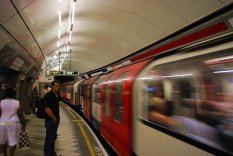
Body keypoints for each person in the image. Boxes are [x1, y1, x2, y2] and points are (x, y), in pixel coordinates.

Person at [0, 88, 25, 156]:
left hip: (2, 124)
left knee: (3, 141)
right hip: (14, 124)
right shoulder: (17, 102)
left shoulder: (1, 102)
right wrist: (23, 125)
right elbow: (20, 115)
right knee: (13, 141)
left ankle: (5, 154)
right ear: (14, 94)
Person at [44, 80, 61, 156]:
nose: (58, 87)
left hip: (53, 121)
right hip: (51, 121)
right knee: (49, 139)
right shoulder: (49, 95)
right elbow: (47, 108)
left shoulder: (54, 95)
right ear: (52, 86)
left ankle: (52, 153)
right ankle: (48, 154)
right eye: (56, 86)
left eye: (58, 86)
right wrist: (54, 118)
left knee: (52, 138)